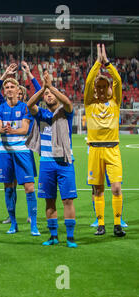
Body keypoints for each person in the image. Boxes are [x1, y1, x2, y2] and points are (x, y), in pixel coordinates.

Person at [26, 70, 77, 248]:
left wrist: (51, 87)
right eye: (46, 94)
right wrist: (43, 88)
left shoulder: (66, 112)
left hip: (64, 161)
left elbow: (68, 102)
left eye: (50, 94)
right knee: (49, 200)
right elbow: (29, 104)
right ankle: (53, 236)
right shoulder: (41, 114)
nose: (48, 96)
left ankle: (70, 237)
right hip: (46, 162)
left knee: (68, 200)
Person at [84, 44, 126, 237]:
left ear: (109, 89)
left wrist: (106, 63)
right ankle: (101, 225)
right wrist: (96, 65)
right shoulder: (89, 104)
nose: (101, 90)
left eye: (104, 87)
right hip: (95, 150)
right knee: (98, 189)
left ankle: (117, 224)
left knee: (116, 188)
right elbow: (88, 82)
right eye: (98, 87)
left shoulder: (115, 102)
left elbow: (117, 80)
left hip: (112, 150)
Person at [0, 62, 41, 225]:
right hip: (5, 152)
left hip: (23, 151)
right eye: (6, 87)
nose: (8, 89)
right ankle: (11, 217)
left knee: (28, 187)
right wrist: (5, 73)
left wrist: (29, 73)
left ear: (18, 90)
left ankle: (31, 217)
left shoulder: (27, 107)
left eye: (11, 86)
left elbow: (24, 129)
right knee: (8, 187)